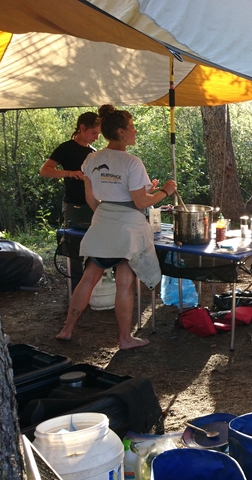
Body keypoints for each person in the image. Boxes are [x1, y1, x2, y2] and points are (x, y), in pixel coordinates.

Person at [56, 105, 176, 350]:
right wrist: (165, 191)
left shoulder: (92, 158)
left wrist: (108, 210)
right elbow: (141, 202)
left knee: (88, 278)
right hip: (128, 228)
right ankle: (125, 338)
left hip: (103, 220)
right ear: (121, 132)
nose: (135, 130)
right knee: (124, 284)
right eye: (132, 126)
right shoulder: (132, 162)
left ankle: (67, 329)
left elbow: (91, 198)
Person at [40, 112, 101, 289]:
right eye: (94, 133)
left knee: (94, 245)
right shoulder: (66, 148)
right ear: (82, 128)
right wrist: (69, 173)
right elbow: (45, 170)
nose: (97, 137)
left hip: (93, 205)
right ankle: (75, 289)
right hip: (73, 205)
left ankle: (93, 287)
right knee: (74, 248)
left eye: (98, 134)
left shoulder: (93, 152)